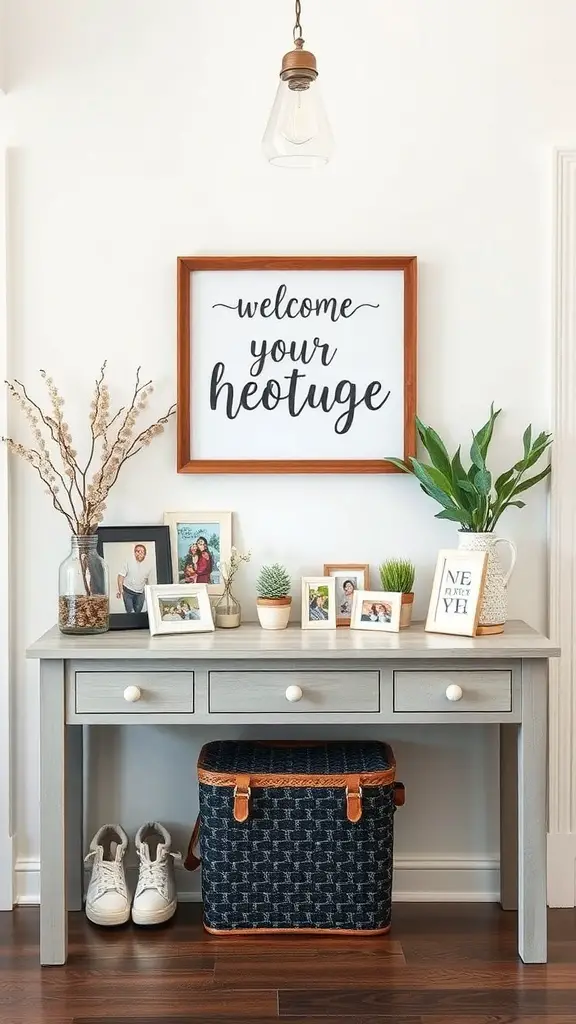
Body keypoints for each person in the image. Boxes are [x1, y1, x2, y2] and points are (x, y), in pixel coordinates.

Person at [117, 543, 154, 614]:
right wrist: (120, 590)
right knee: (129, 612)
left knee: (138, 613)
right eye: (137, 551)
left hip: (140, 593)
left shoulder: (149, 566)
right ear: (134, 553)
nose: (139, 553)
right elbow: (120, 576)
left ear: (145, 554)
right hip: (127, 592)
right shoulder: (128, 562)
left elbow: (149, 582)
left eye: (141, 552)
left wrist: (149, 594)